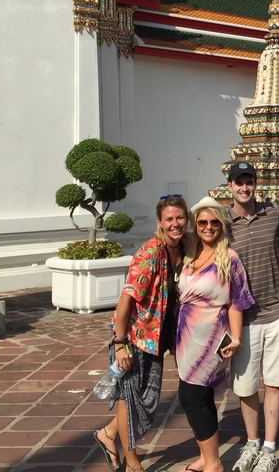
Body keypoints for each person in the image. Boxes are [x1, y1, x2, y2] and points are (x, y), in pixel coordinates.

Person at [94, 195, 188, 472]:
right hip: (133, 337)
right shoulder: (150, 253)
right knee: (131, 400)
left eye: (180, 218)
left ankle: (107, 434)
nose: (175, 224)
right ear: (159, 222)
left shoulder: (183, 247)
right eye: (169, 219)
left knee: (148, 400)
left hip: (155, 337)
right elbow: (127, 298)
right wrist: (120, 343)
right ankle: (132, 462)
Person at [225, 161, 279, 472]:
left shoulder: (272, 213)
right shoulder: (222, 222)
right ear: (229, 186)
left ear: (256, 184)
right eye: (239, 183)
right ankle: (251, 443)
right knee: (246, 386)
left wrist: (272, 259)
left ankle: (269, 448)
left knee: (276, 382)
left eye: (249, 182)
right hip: (243, 316)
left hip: (278, 309)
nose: (244, 188)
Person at [177, 196, 255, 472]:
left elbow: (236, 300)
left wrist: (236, 338)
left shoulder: (229, 258)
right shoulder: (188, 253)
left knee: (191, 398)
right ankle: (205, 456)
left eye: (213, 222)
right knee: (203, 397)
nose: (208, 227)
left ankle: (213, 463)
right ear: (195, 225)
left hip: (212, 337)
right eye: (202, 222)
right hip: (186, 338)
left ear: (221, 225)